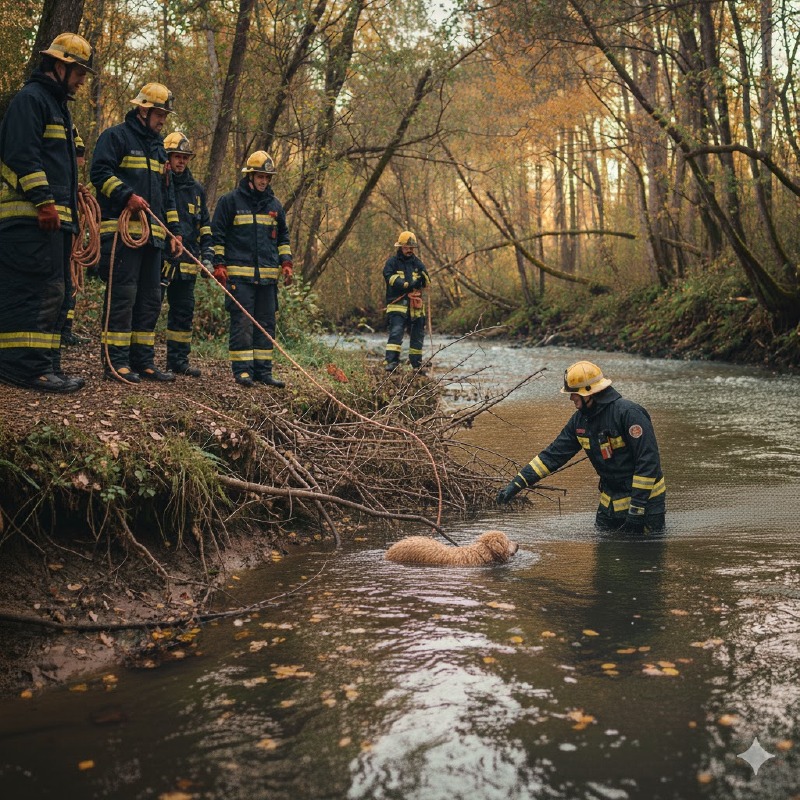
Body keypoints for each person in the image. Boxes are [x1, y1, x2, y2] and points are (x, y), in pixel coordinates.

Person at [0, 33, 94, 393]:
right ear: (60, 66)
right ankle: (23, 368)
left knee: (57, 292)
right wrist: (43, 201)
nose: (83, 80)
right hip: (29, 219)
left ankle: (47, 366)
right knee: (33, 291)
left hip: (54, 221)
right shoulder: (31, 100)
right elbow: (21, 155)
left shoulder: (57, 106)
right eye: (79, 72)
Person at [496, 360, 666, 533]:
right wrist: (517, 483)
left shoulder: (629, 414)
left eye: (574, 394)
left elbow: (648, 462)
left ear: (589, 393)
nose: (571, 398)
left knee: (643, 555)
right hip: (611, 502)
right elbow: (552, 455)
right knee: (604, 555)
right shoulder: (580, 421)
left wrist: (637, 510)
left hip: (646, 505)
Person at [90, 82, 181, 384]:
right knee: (123, 296)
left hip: (153, 239)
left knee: (150, 299)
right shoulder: (115, 137)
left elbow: (167, 197)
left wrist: (174, 233)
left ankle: (142, 361)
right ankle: (115, 362)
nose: (163, 120)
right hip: (121, 234)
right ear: (143, 109)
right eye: (159, 113)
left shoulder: (158, 148)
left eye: (165, 115)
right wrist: (126, 195)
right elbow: (100, 173)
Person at [211, 150, 293, 387]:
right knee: (243, 323)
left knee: (266, 324)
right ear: (250, 175)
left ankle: (263, 372)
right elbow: (218, 235)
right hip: (240, 278)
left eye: (267, 177)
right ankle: (242, 371)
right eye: (260, 176)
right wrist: (219, 264)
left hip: (268, 280)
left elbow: (283, 238)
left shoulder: (275, 206)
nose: (263, 181)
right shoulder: (230, 202)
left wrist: (286, 263)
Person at [160, 131, 213, 377]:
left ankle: (178, 360)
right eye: (176, 156)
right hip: (161, 260)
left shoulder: (197, 190)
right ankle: (142, 360)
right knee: (149, 310)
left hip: (188, 263)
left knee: (183, 314)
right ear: (167, 157)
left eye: (185, 157)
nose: (181, 161)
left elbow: (205, 227)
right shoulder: (159, 183)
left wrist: (208, 257)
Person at [383, 230, 430, 372]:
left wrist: (423, 278)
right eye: (407, 247)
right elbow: (389, 277)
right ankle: (391, 362)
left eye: (411, 248)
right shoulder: (392, 263)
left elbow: (427, 282)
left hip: (415, 307)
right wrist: (405, 284)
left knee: (417, 334)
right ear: (400, 247)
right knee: (396, 332)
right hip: (397, 304)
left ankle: (416, 364)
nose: (409, 250)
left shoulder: (418, 263)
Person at [60, 124, 89, 347]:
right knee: (62, 281)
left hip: (70, 229)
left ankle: (65, 330)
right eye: (78, 155)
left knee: (71, 279)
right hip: (57, 230)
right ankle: (59, 330)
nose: (81, 161)